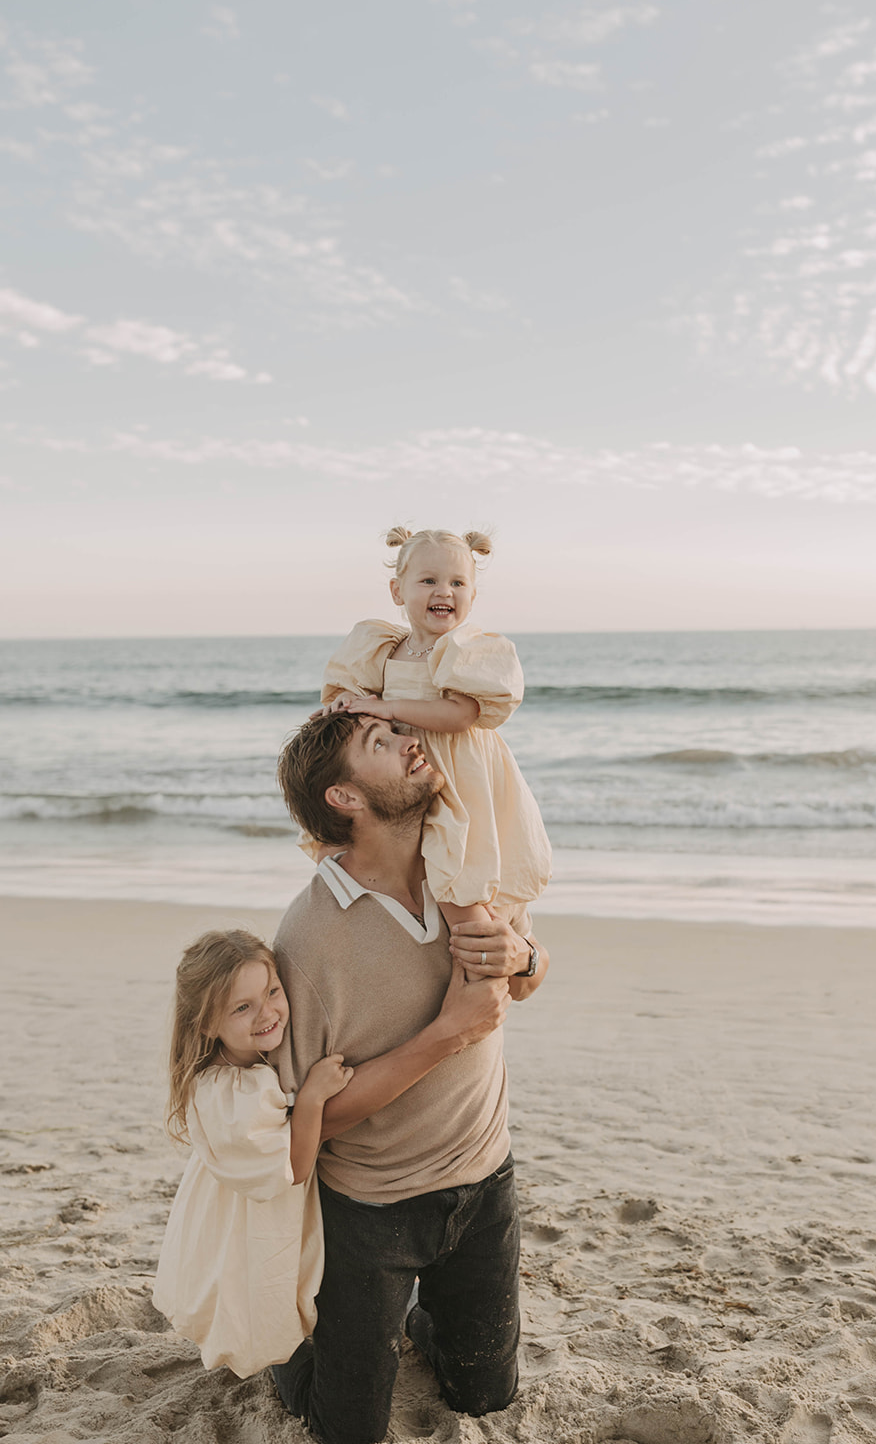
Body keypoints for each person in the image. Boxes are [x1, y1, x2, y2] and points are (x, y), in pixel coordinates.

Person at [271, 706, 549, 1444]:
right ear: (346, 798)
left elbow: (527, 970)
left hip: (485, 1184)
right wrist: (446, 1034)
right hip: (372, 1211)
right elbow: (310, 1117)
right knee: (341, 1424)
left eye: (397, 731)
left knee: (483, 1396)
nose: (408, 740)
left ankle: (417, 1316)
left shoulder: (461, 866)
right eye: (380, 742)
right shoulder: (308, 939)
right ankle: (297, 1341)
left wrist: (523, 960)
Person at [153, 927, 508, 1382]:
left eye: (273, 992)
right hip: (254, 1210)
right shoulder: (232, 1098)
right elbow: (294, 1168)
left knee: (296, 1289)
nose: (267, 1013)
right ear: (205, 1023)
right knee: (264, 1300)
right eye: (242, 1008)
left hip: (260, 1200)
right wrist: (313, 1099)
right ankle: (286, 1366)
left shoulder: (251, 1061)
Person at [308, 525, 551, 975]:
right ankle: (342, 935)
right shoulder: (382, 647)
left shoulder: (464, 650)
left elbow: (460, 714)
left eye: (458, 583)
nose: (445, 591)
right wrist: (344, 704)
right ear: (397, 591)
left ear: (473, 597)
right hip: (399, 772)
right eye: (429, 581)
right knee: (342, 847)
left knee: (454, 870)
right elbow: (351, 697)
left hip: (454, 779)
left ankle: (483, 961)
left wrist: (388, 705)